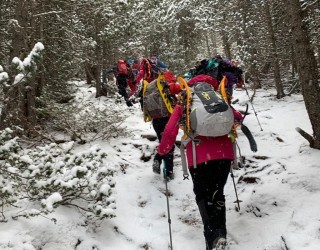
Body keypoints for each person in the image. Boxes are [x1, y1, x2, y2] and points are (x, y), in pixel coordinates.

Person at [156, 73, 243, 249]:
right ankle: (220, 235)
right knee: (217, 192)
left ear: (191, 85)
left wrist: (163, 151)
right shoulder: (218, 98)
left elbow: (170, 130)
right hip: (224, 155)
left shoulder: (187, 101)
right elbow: (238, 118)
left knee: (203, 195)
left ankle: (211, 239)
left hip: (199, 156)